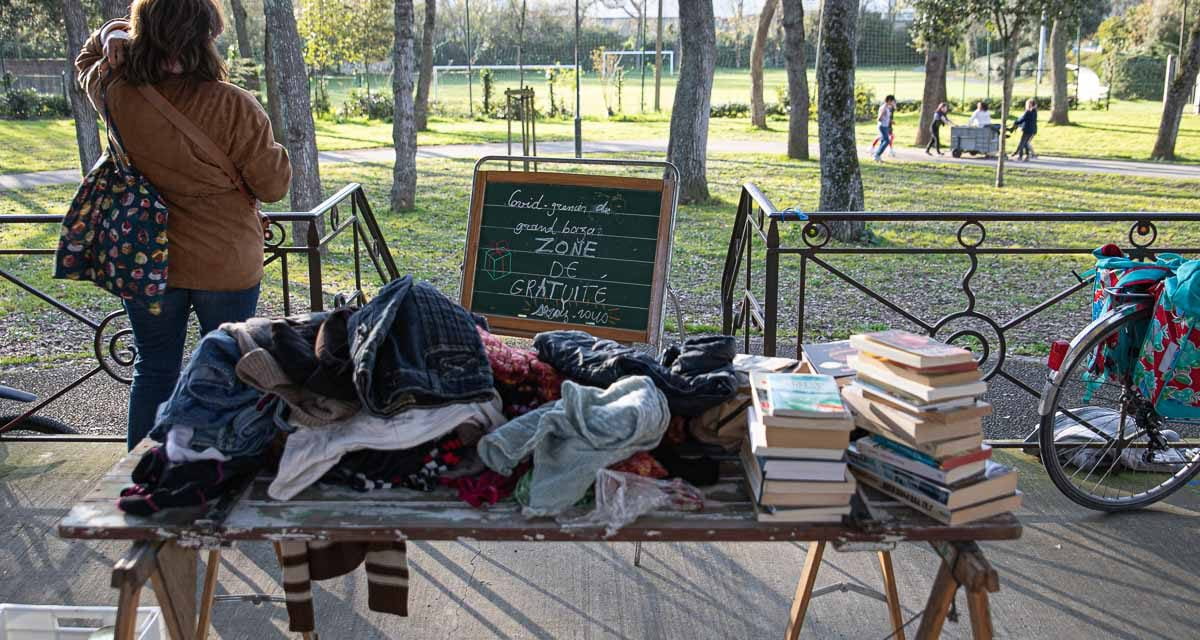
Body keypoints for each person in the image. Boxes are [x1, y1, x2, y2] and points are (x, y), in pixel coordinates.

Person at [76, 0, 292, 449]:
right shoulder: (235, 105)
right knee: (231, 367)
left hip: (148, 259)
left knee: (153, 370)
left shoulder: (116, 91)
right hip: (224, 259)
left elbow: (86, 61)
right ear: (206, 37)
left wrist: (113, 32)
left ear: (144, 34)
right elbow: (272, 186)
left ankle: (138, 473)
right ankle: (218, 468)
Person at [873, 95, 897, 162]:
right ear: (889, 100)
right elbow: (880, 117)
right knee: (887, 141)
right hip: (882, 126)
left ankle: (877, 156)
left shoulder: (887, 107)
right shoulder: (884, 107)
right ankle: (876, 155)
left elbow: (886, 117)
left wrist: (891, 121)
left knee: (883, 141)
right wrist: (880, 118)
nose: (893, 102)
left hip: (885, 126)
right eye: (892, 101)